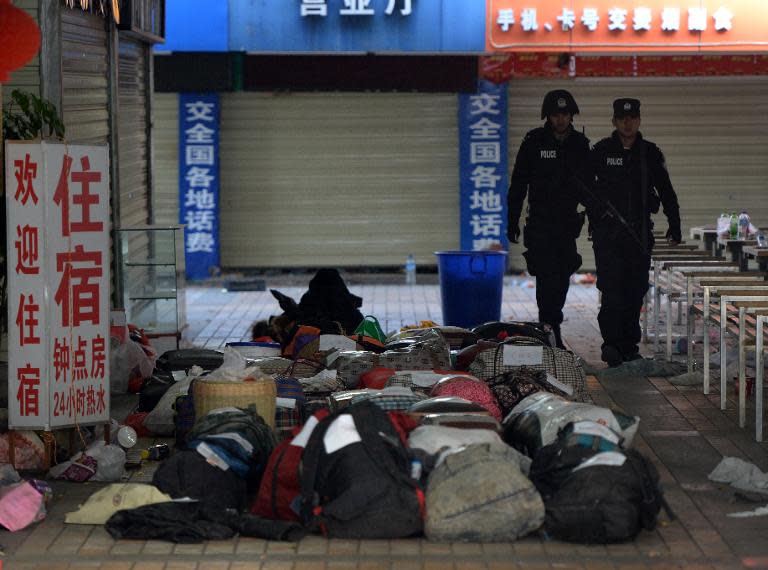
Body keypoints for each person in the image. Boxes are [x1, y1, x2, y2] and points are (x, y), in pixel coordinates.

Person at [590, 98, 682, 366]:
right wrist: (598, 211)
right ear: (614, 122)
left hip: (639, 234)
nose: (627, 123)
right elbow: (584, 188)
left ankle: (629, 346)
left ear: (639, 120)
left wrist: (674, 224)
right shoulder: (601, 151)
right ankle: (611, 344)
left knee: (634, 291)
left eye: (632, 119)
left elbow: (666, 191)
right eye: (622, 119)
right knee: (612, 290)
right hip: (608, 236)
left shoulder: (650, 153)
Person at [507, 89, 592, 349]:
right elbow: (519, 183)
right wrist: (511, 220)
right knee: (545, 277)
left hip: (567, 224)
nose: (560, 119)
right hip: (541, 223)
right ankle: (549, 328)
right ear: (548, 116)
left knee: (563, 272)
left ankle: (552, 324)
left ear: (571, 115)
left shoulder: (580, 143)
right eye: (555, 114)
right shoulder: (534, 141)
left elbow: (591, 187)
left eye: (565, 114)